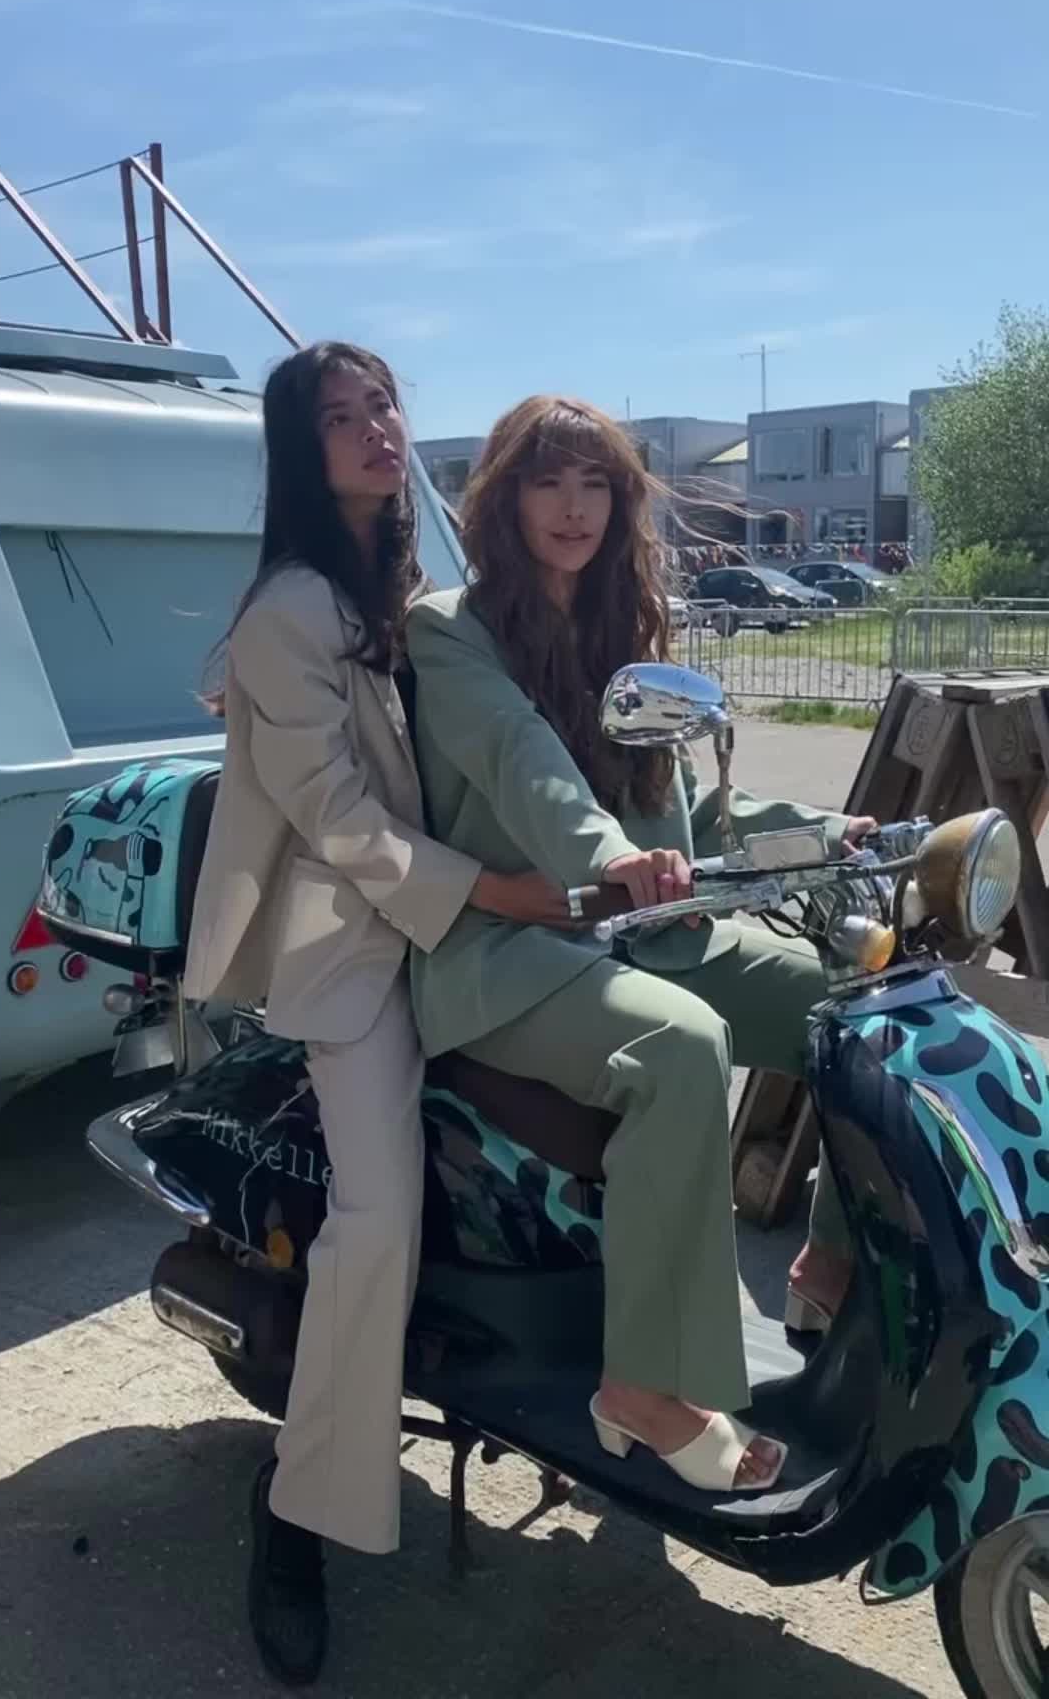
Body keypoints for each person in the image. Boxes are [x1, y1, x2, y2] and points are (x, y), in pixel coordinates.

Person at [184, 346, 573, 1686]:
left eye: (383, 406)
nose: (372, 430)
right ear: (304, 452)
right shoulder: (287, 611)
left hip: (468, 911)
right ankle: (296, 1515)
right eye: (339, 418)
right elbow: (341, 822)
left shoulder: (418, 589)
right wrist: (504, 895)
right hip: (351, 943)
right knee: (380, 1220)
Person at [406, 395, 873, 1498]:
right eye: (547, 482)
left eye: (596, 485)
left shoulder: (626, 628)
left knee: (863, 1003)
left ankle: (833, 1262)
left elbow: (686, 807)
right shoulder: (450, 628)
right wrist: (611, 855)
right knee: (680, 1045)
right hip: (504, 948)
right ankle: (644, 1385)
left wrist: (822, 834)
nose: (573, 508)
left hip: (640, 930)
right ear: (503, 498)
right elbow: (523, 760)